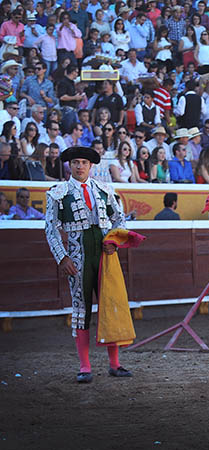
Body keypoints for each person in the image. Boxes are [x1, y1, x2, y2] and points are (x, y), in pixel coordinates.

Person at [44, 146, 131, 383]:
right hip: (77, 258)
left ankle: (115, 364)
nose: (79, 166)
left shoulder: (104, 190)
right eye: (75, 162)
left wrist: (114, 241)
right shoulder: (58, 193)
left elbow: (119, 219)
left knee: (109, 307)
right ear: (69, 166)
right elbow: (50, 229)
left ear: (91, 166)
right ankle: (85, 366)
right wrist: (62, 257)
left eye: (83, 162)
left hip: (104, 257)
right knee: (81, 310)